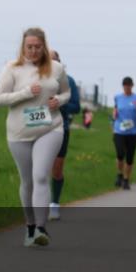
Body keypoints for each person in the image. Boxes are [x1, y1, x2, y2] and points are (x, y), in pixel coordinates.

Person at [0, 27, 71, 247]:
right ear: (23, 47)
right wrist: (26, 93)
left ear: (44, 46)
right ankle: (29, 226)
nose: (34, 50)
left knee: (40, 176)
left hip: (50, 127)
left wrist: (60, 101)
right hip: (19, 132)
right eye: (30, 47)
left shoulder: (56, 68)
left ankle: (40, 228)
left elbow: (66, 92)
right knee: (27, 181)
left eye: (38, 47)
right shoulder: (12, 68)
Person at [48, 50, 80, 221]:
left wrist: (59, 103)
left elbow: (76, 107)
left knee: (57, 168)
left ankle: (54, 203)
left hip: (61, 128)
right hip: (39, 128)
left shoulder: (69, 81)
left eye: (55, 61)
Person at [112, 77, 136, 190]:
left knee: (130, 157)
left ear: (132, 85)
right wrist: (114, 114)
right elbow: (115, 110)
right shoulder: (117, 97)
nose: (127, 87)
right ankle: (120, 174)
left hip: (133, 132)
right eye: (125, 85)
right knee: (120, 154)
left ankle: (126, 180)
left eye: (129, 85)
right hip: (119, 130)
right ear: (123, 86)